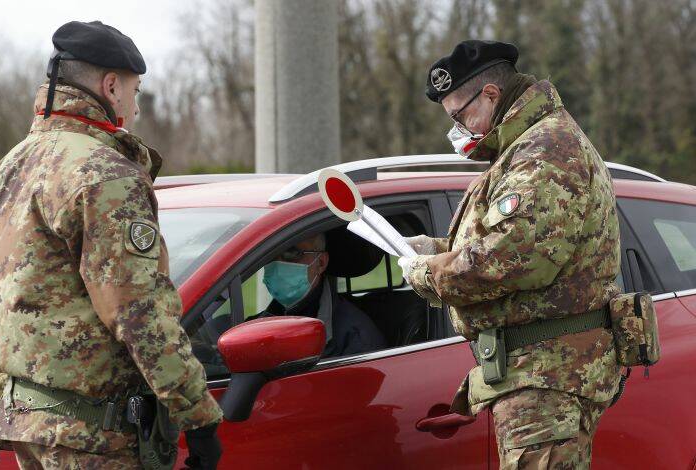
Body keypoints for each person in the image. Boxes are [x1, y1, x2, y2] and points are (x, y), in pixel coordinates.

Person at [0, 21, 221, 469]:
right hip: (93, 434)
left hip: (26, 423)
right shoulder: (105, 174)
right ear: (111, 86)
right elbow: (138, 310)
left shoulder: (10, 168)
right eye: (135, 90)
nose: (137, 106)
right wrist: (197, 414)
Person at [398, 40, 621, 469]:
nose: (459, 130)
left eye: (459, 116)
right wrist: (439, 250)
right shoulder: (525, 149)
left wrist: (428, 274)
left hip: (547, 376)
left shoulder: (546, 151)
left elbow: (511, 261)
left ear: (491, 95)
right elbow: (512, 240)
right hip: (535, 374)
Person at [257, 234, 387, 357]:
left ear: (321, 263)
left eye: (292, 253)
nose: (277, 264)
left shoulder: (356, 339)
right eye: (271, 255)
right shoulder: (256, 325)